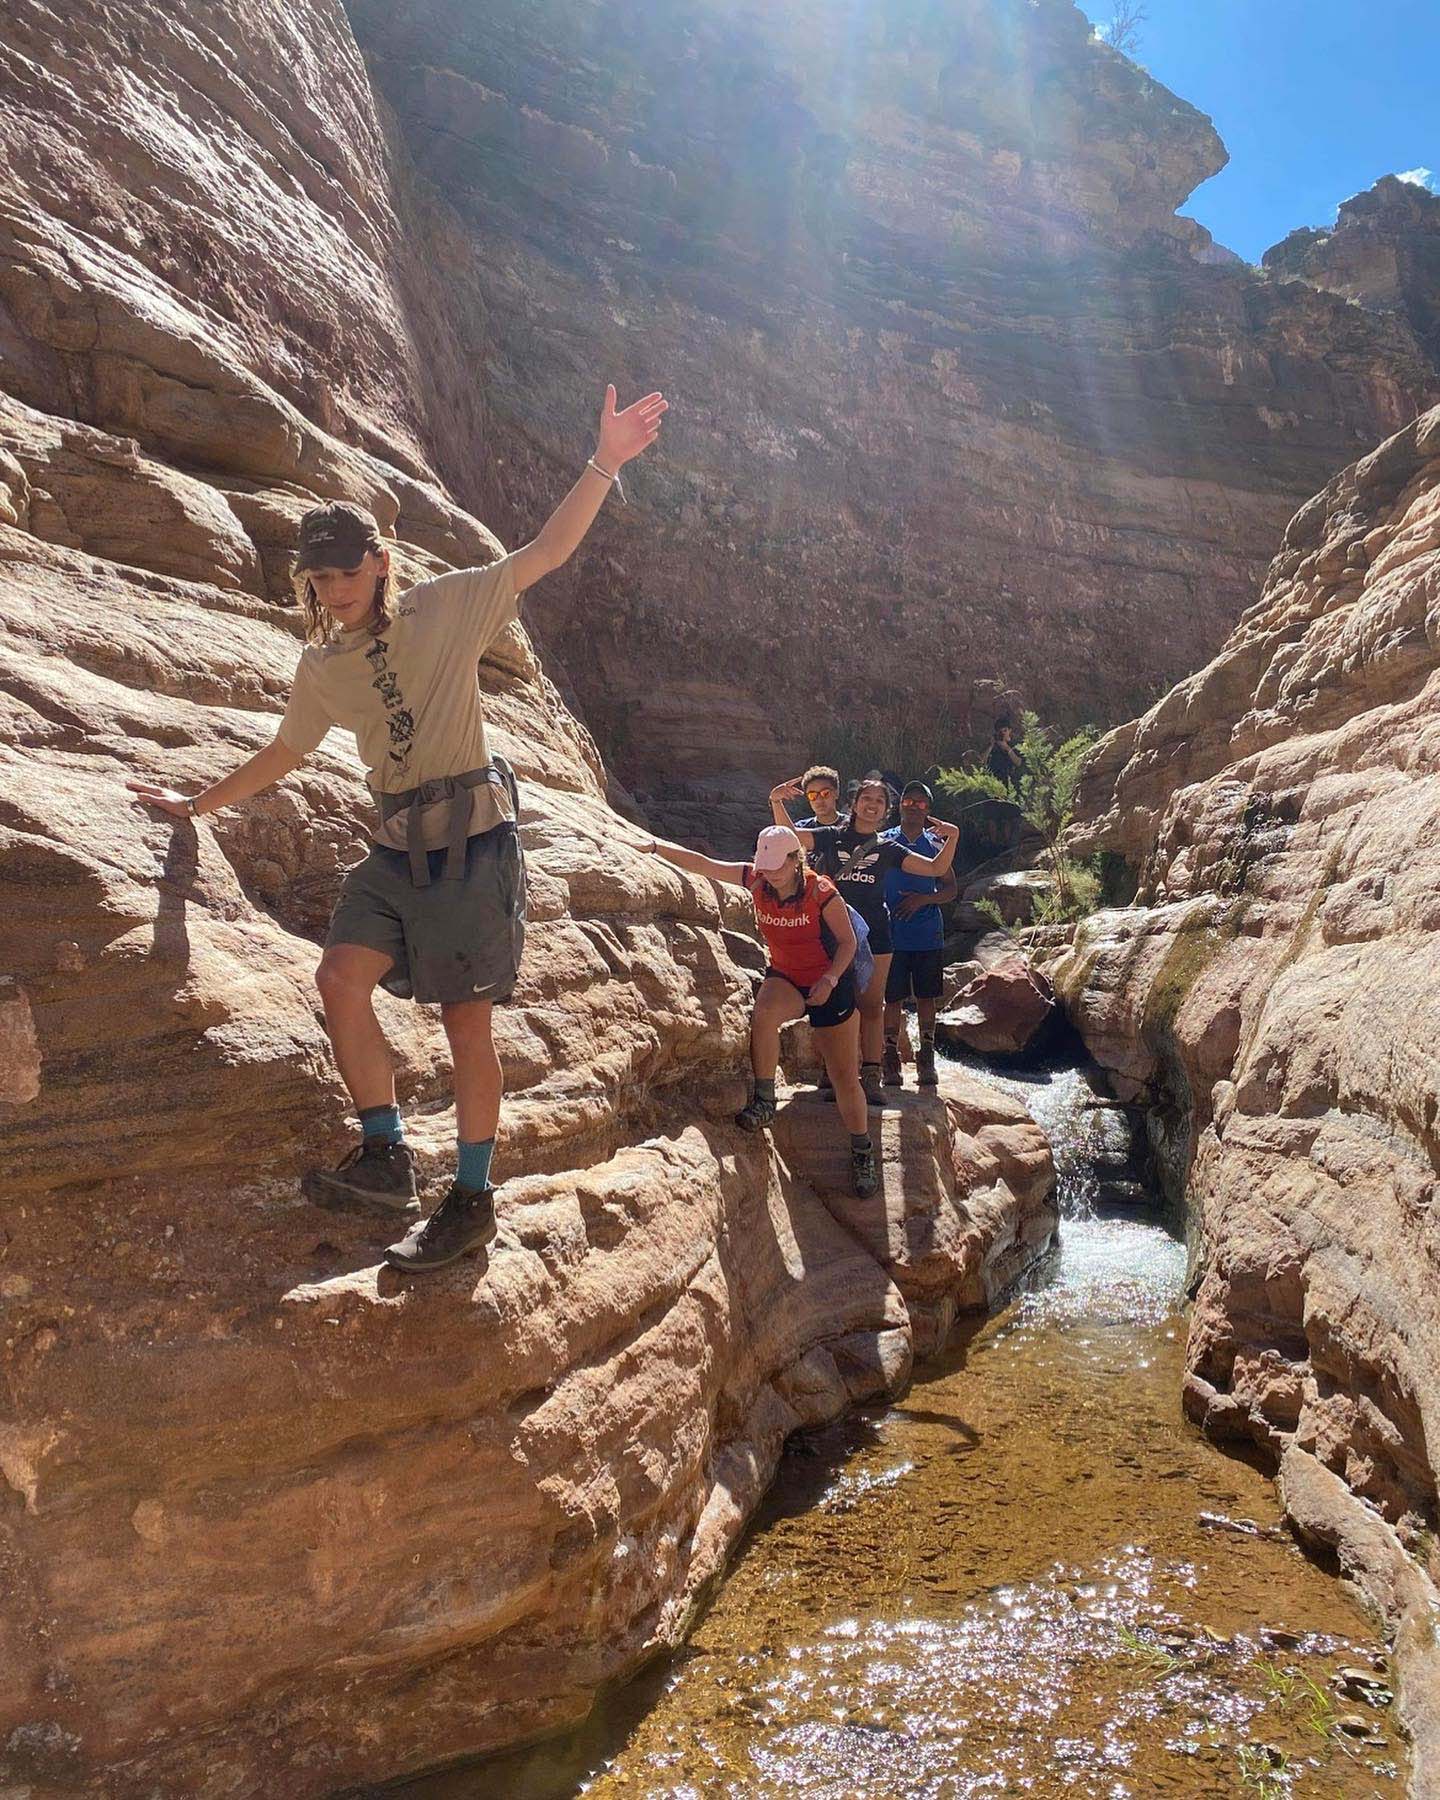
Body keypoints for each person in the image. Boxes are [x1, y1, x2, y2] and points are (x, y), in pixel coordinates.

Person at [129, 383, 667, 1272]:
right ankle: (386, 1155)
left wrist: (605, 462)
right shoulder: (321, 664)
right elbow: (282, 754)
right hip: (393, 852)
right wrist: (193, 806)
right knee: (340, 978)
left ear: (380, 562)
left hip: (471, 849)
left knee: (466, 1028)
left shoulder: (446, 607)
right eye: (319, 577)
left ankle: (472, 1197)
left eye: (346, 572)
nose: (333, 589)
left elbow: (546, 552)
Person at [643, 825, 879, 1197]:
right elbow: (705, 866)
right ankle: (766, 1101)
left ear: (795, 860)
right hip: (787, 977)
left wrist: (831, 979)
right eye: (763, 865)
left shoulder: (821, 893)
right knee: (764, 1013)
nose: (768, 873)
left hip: (829, 982)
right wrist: (657, 847)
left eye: (776, 866)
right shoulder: (755, 880)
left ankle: (862, 1150)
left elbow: (848, 942)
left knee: (843, 1075)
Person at [770, 774, 959, 1105]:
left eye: (880, 801)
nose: (872, 805)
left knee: (872, 1007)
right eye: (866, 799)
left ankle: (870, 1077)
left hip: (877, 934)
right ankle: (834, 1073)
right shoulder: (831, 836)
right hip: (832, 934)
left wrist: (953, 837)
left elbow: (933, 869)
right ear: (854, 804)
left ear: (886, 811)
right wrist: (776, 802)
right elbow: (790, 841)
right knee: (834, 1006)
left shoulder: (888, 847)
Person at [883, 780, 957, 1088]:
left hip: (927, 934)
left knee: (927, 997)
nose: (914, 807)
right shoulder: (884, 841)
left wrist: (923, 899)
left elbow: (951, 889)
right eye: (908, 802)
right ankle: (890, 1060)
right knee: (893, 999)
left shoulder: (936, 845)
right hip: (891, 934)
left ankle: (927, 1057)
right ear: (899, 806)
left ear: (929, 810)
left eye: (921, 803)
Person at [790, 764, 842, 830]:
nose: (819, 800)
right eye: (812, 795)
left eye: (825, 793)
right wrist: (776, 801)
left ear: (836, 793)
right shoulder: (801, 828)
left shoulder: (853, 825)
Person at [986, 717, 1025, 791]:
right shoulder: (993, 746)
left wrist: (1007, 748)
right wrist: (991, 746)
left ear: (1010, 730)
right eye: (1000, 731)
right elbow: (981, 761)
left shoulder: (1016, 744)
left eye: (1005, 730)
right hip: (996, 782)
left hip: (1012, 783)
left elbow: (1019, 763)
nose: (1003, 733)